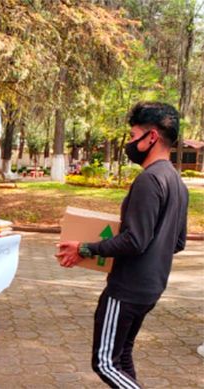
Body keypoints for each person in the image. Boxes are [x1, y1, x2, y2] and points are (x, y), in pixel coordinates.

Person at [56, 102, 189, 389]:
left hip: (127, 289)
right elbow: (177, 242)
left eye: (132, 136)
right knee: (122, 354)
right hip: (152, 288)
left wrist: (85, 248)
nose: (129, 143)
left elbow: (135, 240)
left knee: (104, 362)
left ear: (151, 137)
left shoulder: (149, 180)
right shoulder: (177, 183)